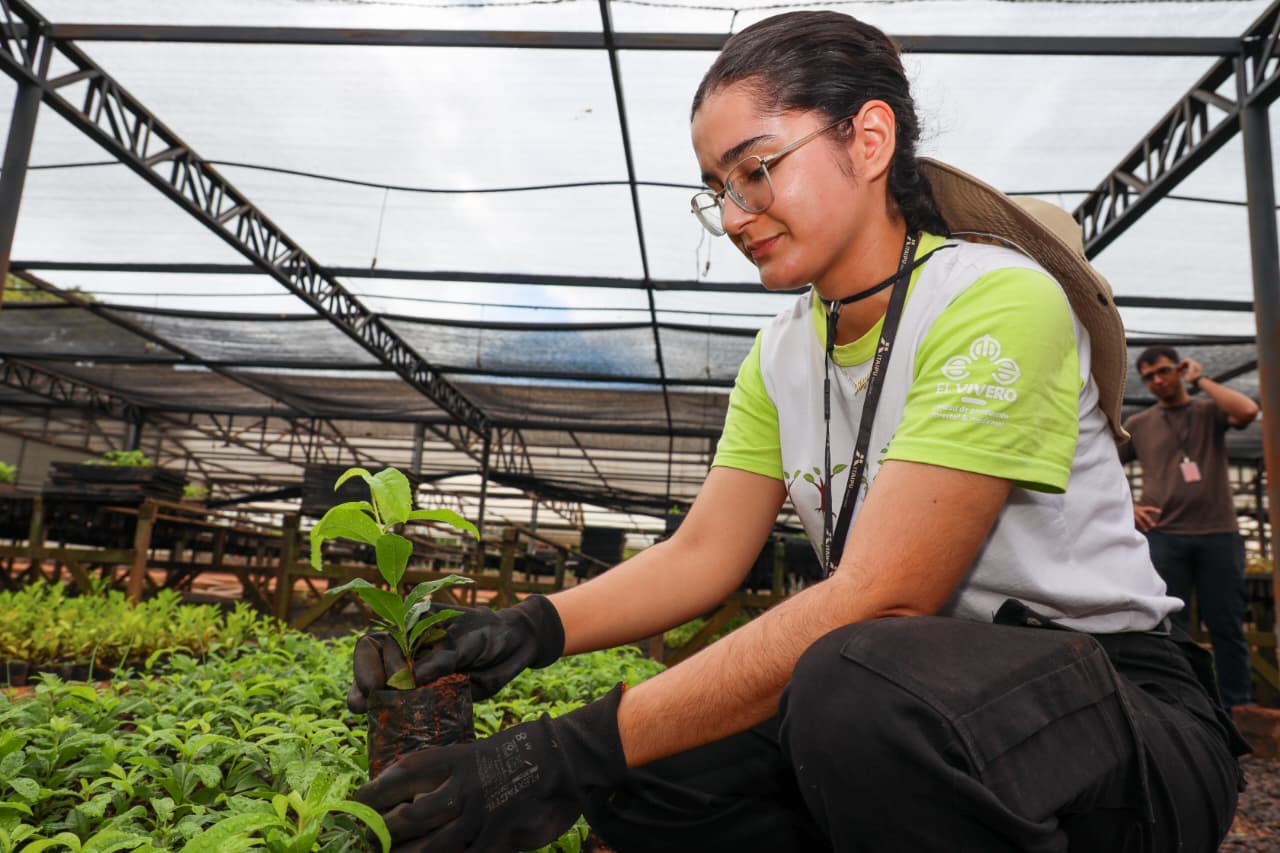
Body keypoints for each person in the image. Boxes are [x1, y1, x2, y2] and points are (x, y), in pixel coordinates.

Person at [350, 12, 1248, 852]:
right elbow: (704, 552)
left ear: (868, 139)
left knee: (845, 686)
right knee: (649, 774)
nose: (736, 214)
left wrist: (559, 751)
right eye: (717, 189)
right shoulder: (782, 353)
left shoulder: (992, 299)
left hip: (1116, 712)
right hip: (922, 701)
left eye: (757, 168)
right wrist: (527, 627)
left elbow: (883, 595)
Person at [1120, 345, 1260, 711]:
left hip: (1218, 534)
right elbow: (1101, 466)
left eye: (1164, 371)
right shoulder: (1139, 424)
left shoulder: (1209, 411)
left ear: (1179, 370)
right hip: (1164, 535)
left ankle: (1237, 707)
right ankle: (1183, 705)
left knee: (1227, 624)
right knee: (1170, 626)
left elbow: (1248, 410)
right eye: (1149, 376)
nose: (1157, 381)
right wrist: (1127, 508)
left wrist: (1200, 379)